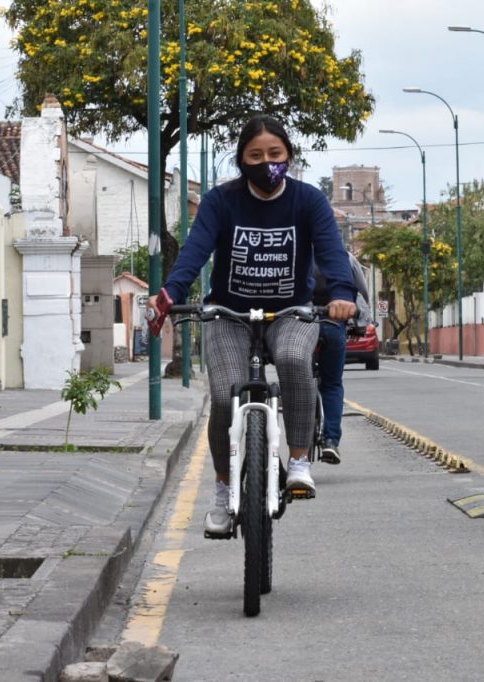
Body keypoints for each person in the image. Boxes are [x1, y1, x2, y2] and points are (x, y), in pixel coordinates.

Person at [146, 115, 356, 536]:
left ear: (289, 157)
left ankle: (298, 461)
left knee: (296, 360)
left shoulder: (309, 201)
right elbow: (196, 250)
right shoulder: (221, 202)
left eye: (275, 154)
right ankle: (223, 491)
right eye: (255, 155)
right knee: (225, 396)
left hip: (290, 312)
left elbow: (332, 252)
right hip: (228, 313)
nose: (266, 163)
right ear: (242, 160)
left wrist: (343, 295)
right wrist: (170, 293)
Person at [312, 251, 372, 465]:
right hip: (332, 325)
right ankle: (331, 440)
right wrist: (361, 322)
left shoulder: (291, 248)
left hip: (299, 324)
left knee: (294, 382)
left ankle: (295, 452)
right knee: (332, 384)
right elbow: (361, 293)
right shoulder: (344, 256)